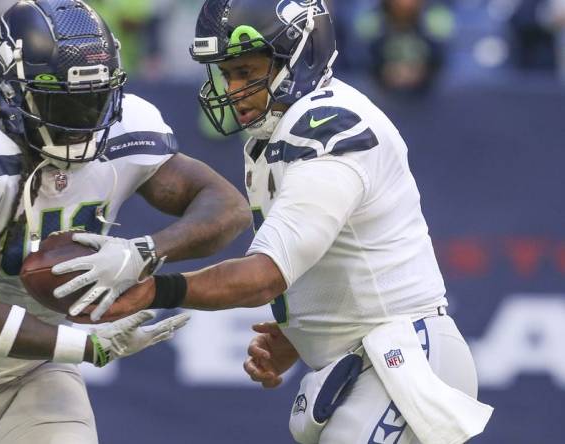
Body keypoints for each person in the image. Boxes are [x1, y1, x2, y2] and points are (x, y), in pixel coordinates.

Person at [69, 0, 492, 442]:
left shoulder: (330, 128)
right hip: (368, 358)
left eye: (248, 73)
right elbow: (337, 252)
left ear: (300, 55)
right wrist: (303, 329)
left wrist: (155, 288)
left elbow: (263, 277)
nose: (235, 91)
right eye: (227, 73)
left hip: (403, 358)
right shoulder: (282, 131)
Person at [0, 1, 251, 443]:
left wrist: (142, 250)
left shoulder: (130, 129)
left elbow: (228, 207)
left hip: (40, 371)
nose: (83, 121)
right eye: (61, 102)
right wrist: (89, 346)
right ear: (11, 90)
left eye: (95, 99)